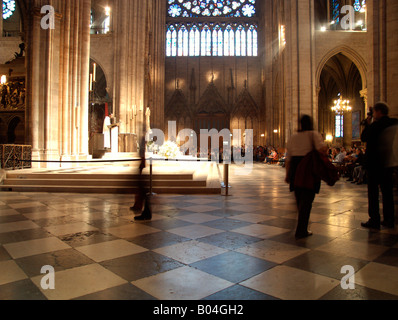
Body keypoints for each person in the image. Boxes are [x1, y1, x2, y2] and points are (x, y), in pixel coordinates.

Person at [285, 115, 328, 239]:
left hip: (295, 169)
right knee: (307, 200)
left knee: (299, 199)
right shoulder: (313, 135)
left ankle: (301, 227)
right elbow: (322, 150)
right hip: (308, 169)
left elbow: (289, 158)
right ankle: (301, 229)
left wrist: (288, 174)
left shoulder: (293, 137)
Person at [361, 102, 398, 229]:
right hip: (388, 163)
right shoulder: (394, 122)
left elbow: (364, 137)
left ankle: (374, 219)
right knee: (387, 193)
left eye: (374, 112)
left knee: (373, 193)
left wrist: (368, 122)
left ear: (378, 112)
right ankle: (389, 219)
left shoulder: (375, 126)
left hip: (374, 164)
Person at [130, 134, 152, 221]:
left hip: (142, 165)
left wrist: (142, 162)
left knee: (143, 191)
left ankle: (146, 212)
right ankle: (145, 211)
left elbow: (142, 151)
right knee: (143, 191)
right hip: (142, 165)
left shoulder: (143, 138)